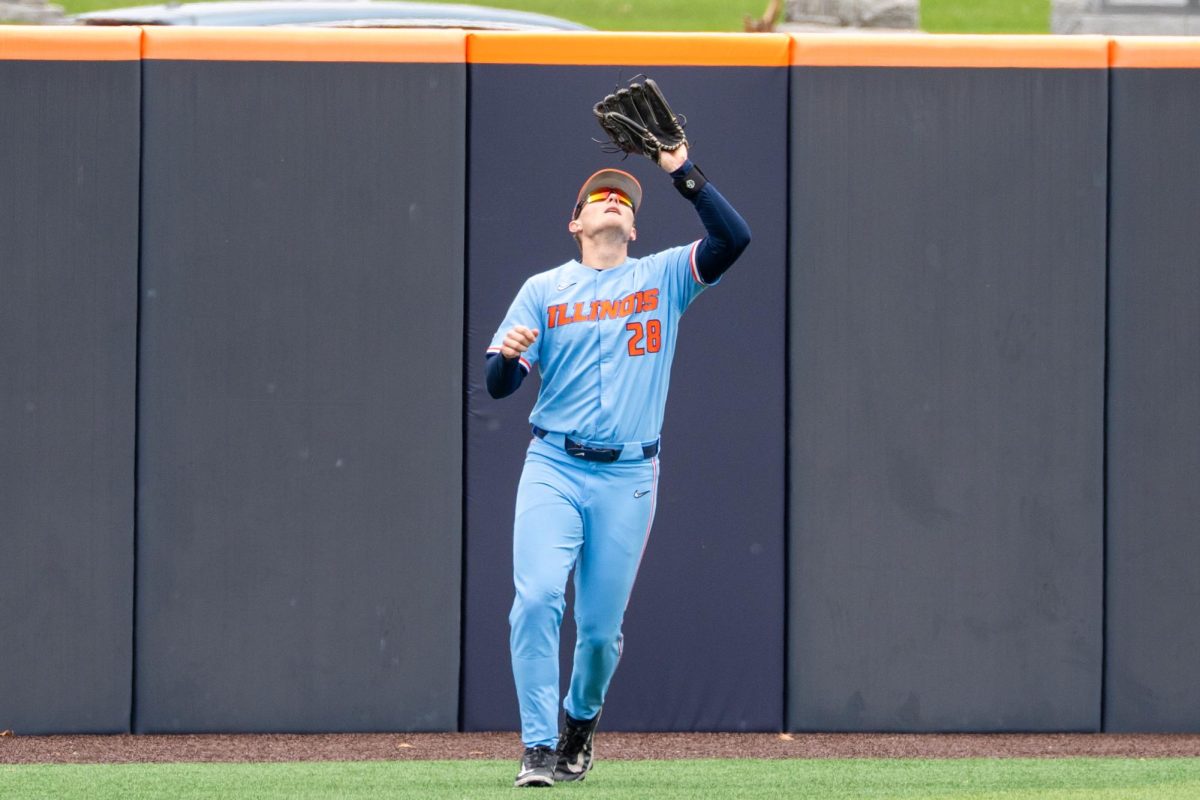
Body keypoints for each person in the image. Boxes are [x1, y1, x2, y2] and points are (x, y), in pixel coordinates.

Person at [485, 143, 750, 788]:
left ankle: (581, 719)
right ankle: (539, 746)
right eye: (597, 196)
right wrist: (507, 357)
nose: (611, 200)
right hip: (553, 462)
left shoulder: (663, 277)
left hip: (628, 476)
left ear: (633, 227)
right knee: (538, 597)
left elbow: (733, 238)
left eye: (623, 200)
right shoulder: (542, 290)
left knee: (600, 632)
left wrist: (679, 169)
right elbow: (498, 385)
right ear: (574, 223)